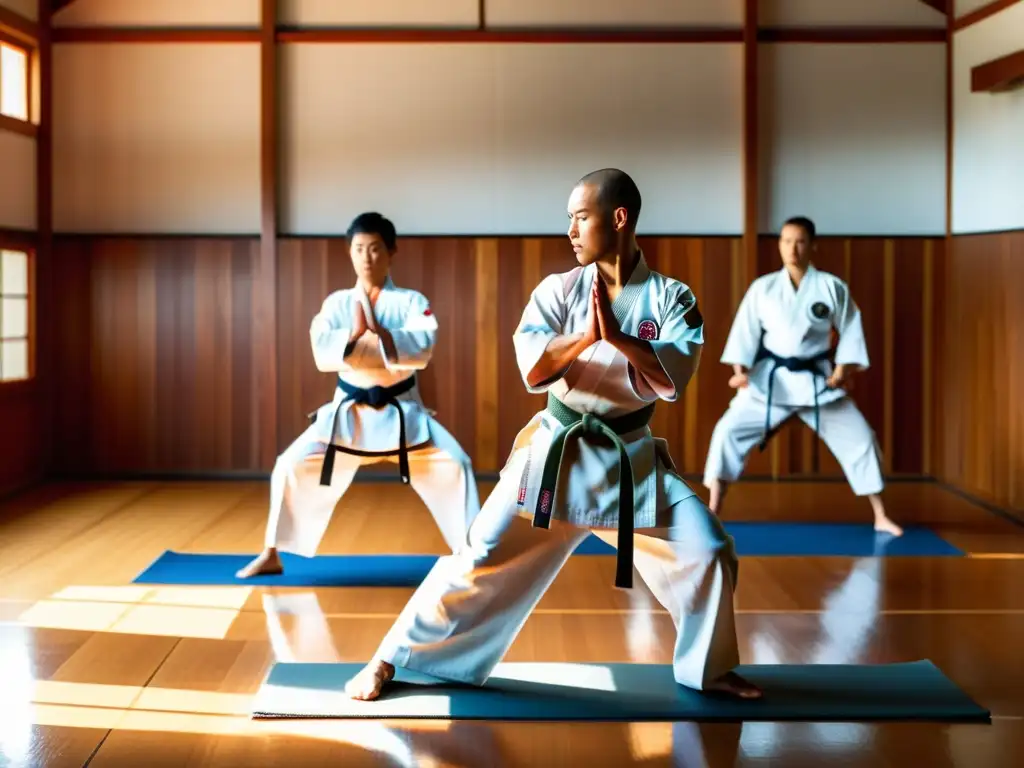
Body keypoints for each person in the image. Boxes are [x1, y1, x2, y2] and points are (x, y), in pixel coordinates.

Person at [343, 169, 762, 701]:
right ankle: (388, 659)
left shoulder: (671, 298)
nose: (570, 230)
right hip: (552, 460)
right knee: (478, 555)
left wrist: (621, 340)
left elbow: (672, 376)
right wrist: (588, 335)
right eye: (568, 219)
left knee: (708, 547)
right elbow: (534, 370)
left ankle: (711, 669)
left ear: (618, 218)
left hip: (628, 463)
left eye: (580, 217)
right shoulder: (558, 291)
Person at [236, 212, 481, 578]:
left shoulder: (413, 302)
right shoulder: (337, 303)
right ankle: (272, 552)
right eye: (359, 249)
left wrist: (382, 335)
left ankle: (474, 555)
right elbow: (321, 346)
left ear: (391, 251)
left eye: (375, 249)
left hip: (402, 414)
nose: (367, 257)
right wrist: (352, 337)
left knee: (457, 464)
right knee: (289, 464)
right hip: (347, 416)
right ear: (350, 253)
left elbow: (424, 345)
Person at [702, 216, 902, 537]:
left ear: (812, 246)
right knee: (726, 432)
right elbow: (744, 333)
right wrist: (740, 372)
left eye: (800, 242)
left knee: (861, 439)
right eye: (786, 241)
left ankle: (880, 514)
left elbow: (850, 328)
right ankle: (713, 509)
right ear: (779, 245)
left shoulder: (830, 287)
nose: (792, 249)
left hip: (817, 382)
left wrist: (841, 369)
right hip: (771, 381)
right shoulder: (763, 288)